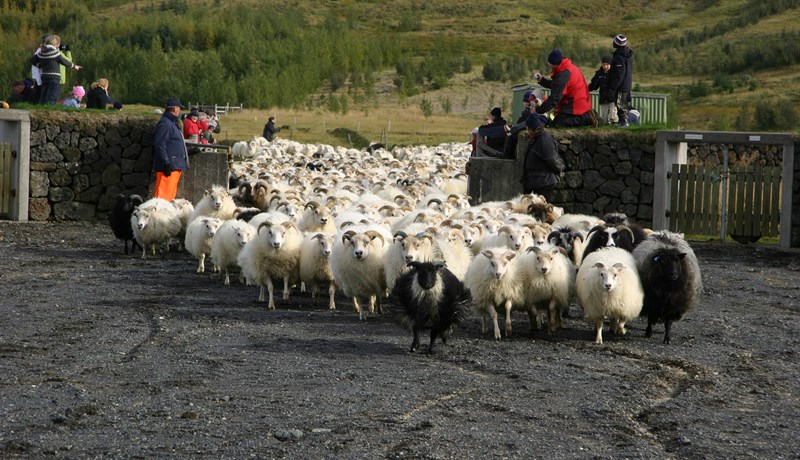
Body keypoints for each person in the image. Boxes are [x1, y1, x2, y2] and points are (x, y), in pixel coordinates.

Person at [532, 48, 596, 128]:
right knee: (553, 121)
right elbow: (558, 86)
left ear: (555, 63)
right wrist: (542, 81)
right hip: (577, 105)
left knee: (556, 125)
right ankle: (586, 117)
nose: (549, 66)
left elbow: (555, 98)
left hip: (574, 108)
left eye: (550, 64)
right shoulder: (568, 69)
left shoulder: (563, 74)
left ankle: (585, 119)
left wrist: (538, 111)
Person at [519, 113, 563, 202]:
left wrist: (559, 171)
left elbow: (552, 161)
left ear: (533, 129)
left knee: (539, 210)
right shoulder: (535, 139)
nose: (527, 130)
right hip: (535, 182)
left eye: (528, 128)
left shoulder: (544, 141)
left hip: (543, 183)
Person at [153, 97, 189, 201]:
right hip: (169, 167)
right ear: (175, 109)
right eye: (179, 108)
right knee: (162, 199)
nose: (180, 111)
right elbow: (160, 144)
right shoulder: (165, 123)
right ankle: (158, 217)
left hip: (174, 165)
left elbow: (173, 144)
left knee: (169, 198)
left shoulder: (171, 123)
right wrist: (166, 163)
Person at [31, 35, 81, 105]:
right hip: (54, 77)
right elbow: (64, 61)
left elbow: (32, 60)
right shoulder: (55, 53)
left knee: (44, 94)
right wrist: (74, 66)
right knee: (52, 95)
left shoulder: (42, 51)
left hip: (44, 76)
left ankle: (42, 107)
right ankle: (49, 109)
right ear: (57, 44)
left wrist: (39, 66)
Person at [607, 34, 634, 127]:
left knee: (620, 104)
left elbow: (619, 74)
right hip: (626, 84)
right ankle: (623, 121)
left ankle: (624, 121)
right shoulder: (627, 55)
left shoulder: (619, 57)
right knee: (623, 103)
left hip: (621, 86)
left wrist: (613, 86)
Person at [588, 55, 617, 125]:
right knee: (604, 118)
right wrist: (585, 89)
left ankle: (614, 128)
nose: (605, 67)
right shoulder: (599, 74)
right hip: (603, 99)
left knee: (612, 116)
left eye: (607, 65)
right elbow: (593, 85)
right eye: (604, 65)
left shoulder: (614, 73)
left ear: (610, 65)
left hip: (613, 98)